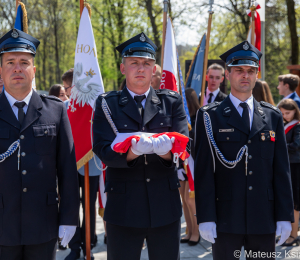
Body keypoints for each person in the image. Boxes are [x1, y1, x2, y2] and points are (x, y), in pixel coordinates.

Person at [93, 32, 188, 260]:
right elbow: (102, 149)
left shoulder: (171, 101)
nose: (140, 68)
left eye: (146, 63)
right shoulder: (107, 104)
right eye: (134, 63)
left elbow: (183, 146)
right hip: (123, 207)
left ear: (154, 68)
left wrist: (167, 154)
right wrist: (131, 153)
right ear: (123, 67)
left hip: (164, 207)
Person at [194, 41, 294, 260]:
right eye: (239, 70)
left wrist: (285, 215)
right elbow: (203, 170)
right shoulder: (210, 116)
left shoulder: (272, 115)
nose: (245, 76)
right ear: (228, 75)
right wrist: (206, 216)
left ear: (256, 75)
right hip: (225, 217)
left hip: (263, 217)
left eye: (250, 71)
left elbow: (281, 170)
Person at [0, 28, 79, 260]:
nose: (17, 68)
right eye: (10, 62)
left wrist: (69, 219)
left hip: (43, 225)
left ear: (33, 70)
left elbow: (67, 171)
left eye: (24, 62)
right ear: (1, 70)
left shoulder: (55, 110)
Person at [61, 68, 101, 260]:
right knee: (71, 204)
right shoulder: (64, 107)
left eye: (67, 87)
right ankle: (74, 246)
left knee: (88, 205)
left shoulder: (92, 105)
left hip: (90, 161)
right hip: (69, 163)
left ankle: (88, 244)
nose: (66, 91)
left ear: (74, 87)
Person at [178, 88, 200, 246]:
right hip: (181, 163)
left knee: (190, 199)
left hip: (193, 163)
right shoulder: (180, 118)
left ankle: (196, 232)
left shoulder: (197, 118)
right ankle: (189, 231)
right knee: (184, 201)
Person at [278, 99, 300, 246]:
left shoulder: (297, 126)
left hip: (295, 167)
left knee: (295, 203)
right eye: (282, 113)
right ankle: (286, 233)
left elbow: (296, 145)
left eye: (288, 112)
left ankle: (294, 234)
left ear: (295, 111)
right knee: (286, 201)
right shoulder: (281, 125)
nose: (285, 115)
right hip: (285, 166)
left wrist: (278, 146)